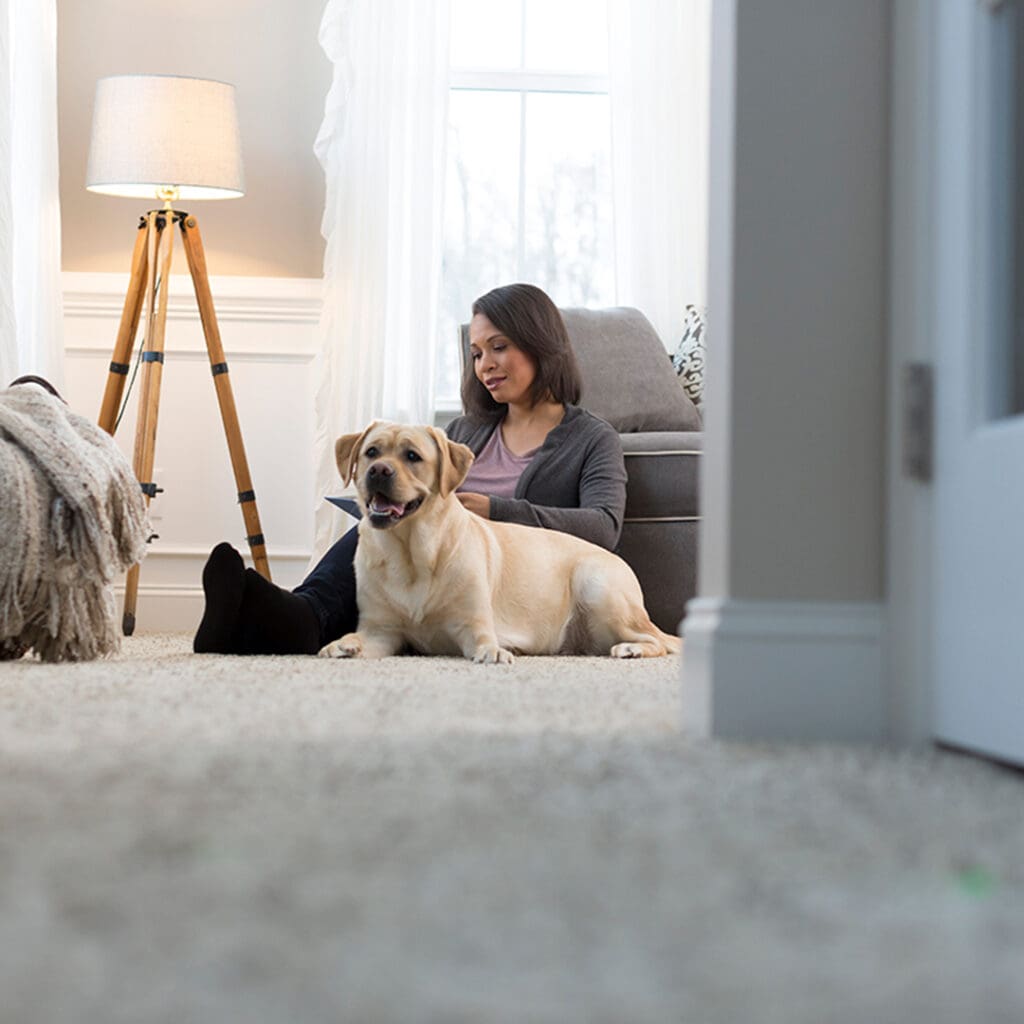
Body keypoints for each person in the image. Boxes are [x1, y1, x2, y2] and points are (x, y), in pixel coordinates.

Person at [193, 283, 627, 655]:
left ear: (540, 343)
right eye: (476, 353)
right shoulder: (465, 431)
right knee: (375, 521)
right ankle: (268, 616)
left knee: (384, 529)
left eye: (499, 347)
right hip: (417, 570)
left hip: (509, 579)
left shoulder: (591, 438)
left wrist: (496, 510)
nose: (485, 365)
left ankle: (297, 618)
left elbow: (603, 526)